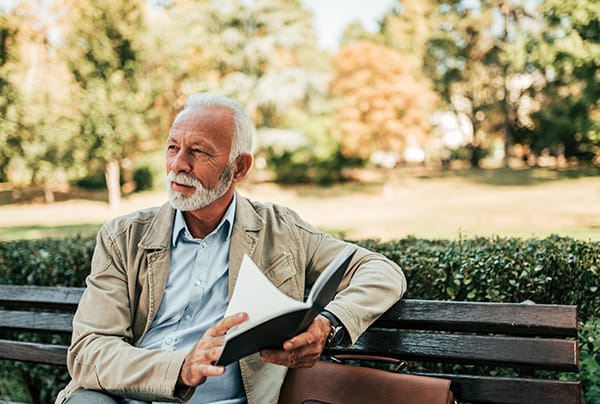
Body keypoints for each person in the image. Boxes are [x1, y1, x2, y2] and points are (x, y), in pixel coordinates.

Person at [56, 93, 406, 404]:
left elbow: (381, 271)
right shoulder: (123, 236)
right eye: (173, 147)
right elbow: (90, 351)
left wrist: (328, 324)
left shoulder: (282, 230)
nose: (178, 164)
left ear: (239, 167)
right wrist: (181, 367)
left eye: (198, 151)